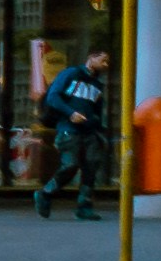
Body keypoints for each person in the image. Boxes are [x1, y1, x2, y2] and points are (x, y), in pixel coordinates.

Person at [35, 50, 111, 218]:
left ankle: (84, 205)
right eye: (103, 60)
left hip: (89, 131)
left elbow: (97, 110)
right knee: (70, 164)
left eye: (107, 62)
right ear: (92, 57)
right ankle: (46, 193)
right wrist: (70, 113)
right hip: (69, 129)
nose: (105, 65)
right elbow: (53, 97)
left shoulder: (97, 85)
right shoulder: (71, 74)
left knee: (91, 167)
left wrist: (99, 130)